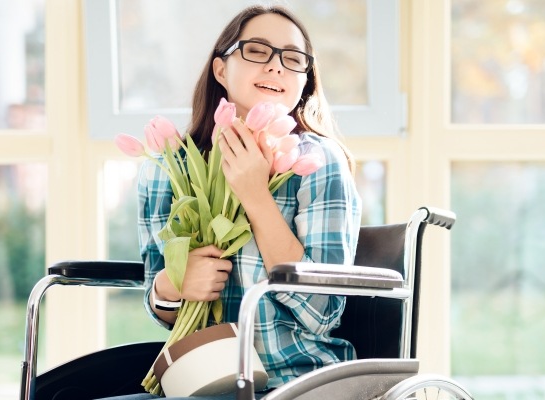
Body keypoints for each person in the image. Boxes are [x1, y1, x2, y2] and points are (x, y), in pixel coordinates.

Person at [113, 5, 362, 400]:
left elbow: (323, 311)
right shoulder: (168, 167)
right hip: (196, 379)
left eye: (293, 59)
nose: (277, 67)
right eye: (257, 51)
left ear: (305, 83)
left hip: (295, 379)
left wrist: (255, 196)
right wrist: (173, 284)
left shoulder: (316, 163)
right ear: (220, 70)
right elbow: (159, 303)